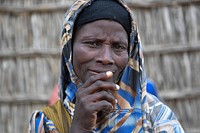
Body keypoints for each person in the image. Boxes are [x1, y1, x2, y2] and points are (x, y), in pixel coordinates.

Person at [28, 0, 185, 132]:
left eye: (118, 47)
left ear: (130, 53)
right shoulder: (47, 123)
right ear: (69, 49)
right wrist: (79, 127)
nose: (106, 58)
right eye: (93, 43)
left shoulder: (157, 117)